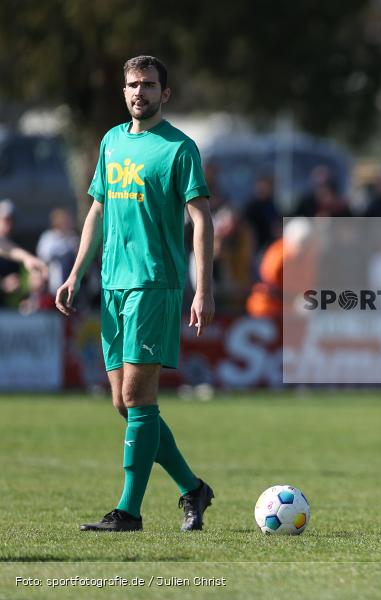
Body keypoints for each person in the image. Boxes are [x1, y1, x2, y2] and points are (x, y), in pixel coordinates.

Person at [55, 55, 215, 533]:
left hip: (153, 283)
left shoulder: (179, 149)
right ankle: (192, 488)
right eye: (131, 85)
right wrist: (76, 271)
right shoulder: (110, 141)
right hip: (111, 285)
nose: (138, 92)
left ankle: (128, 511)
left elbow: (202, 220)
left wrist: (202, 288)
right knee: (124, 406)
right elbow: (97, 211)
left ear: (165, 93)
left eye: (147, 84)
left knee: (137, 397)